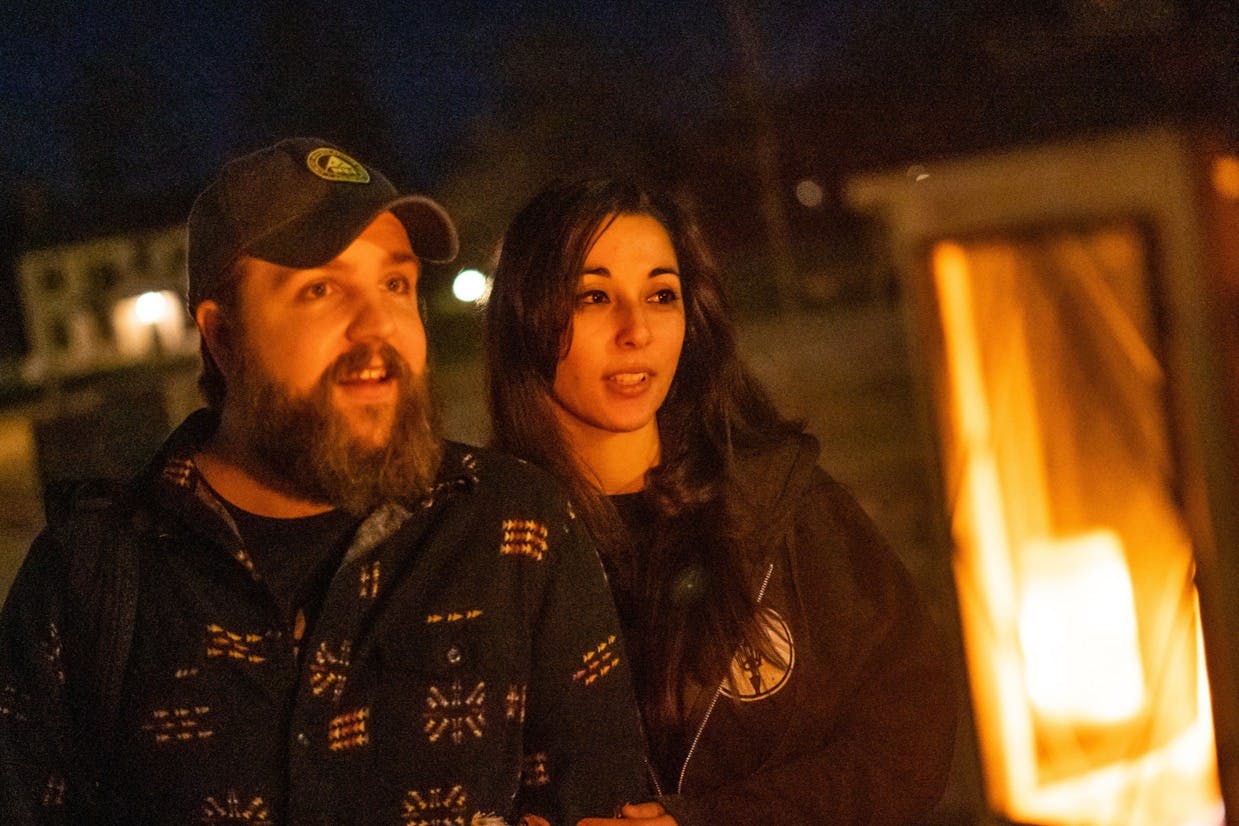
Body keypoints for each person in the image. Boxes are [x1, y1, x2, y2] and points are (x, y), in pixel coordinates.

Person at [0, 139, 649, 825]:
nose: (379, 327)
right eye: (321, 289)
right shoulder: (90, 575)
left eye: (395, 284)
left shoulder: (515, 528)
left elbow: (604, 803)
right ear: (223, 338)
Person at [485, 177, 958, 825]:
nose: (636, 330)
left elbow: (910, 732)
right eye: (593, 296)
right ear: (524, 315)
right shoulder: (479, 545)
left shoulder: (778, 505)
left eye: (660, 295)